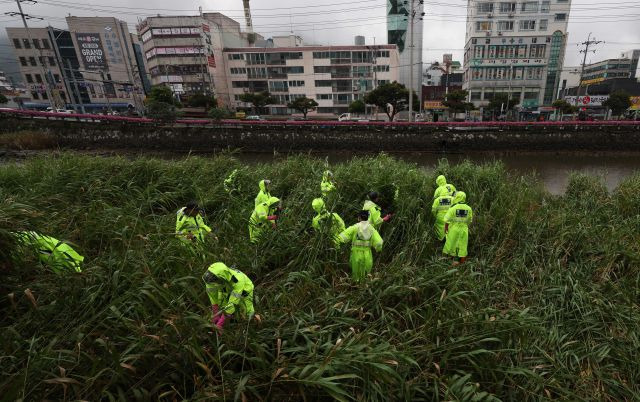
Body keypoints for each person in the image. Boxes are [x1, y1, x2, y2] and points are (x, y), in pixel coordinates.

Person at [202, 262, 256, 331]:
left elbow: (233, 303)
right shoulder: (210, 279)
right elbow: (212, 295)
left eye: (214, 281)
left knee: (246, 311)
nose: (211, 284)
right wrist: (216, 312)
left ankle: (252, 323)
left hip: (244, 290)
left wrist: (220, 324)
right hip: (225, 288)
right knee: (223, 305)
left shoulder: (238, 280)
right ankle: (228, 322)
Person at [338, 210, 383, 281]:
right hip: (367, 254)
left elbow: (342, 237)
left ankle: (356, 288)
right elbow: (379, 242)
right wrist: (378, 249)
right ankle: (364, 289)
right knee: (366, 275)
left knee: (356, 274)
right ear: (368, 217)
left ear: (359, 218)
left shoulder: (354, 227)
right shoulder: (372, 229)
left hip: (356, 254)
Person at [17, 231, 84, 273]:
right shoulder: (21, 236)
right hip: (43, 243)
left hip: (44, 245)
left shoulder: (20, 238)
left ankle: (70, 269)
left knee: (55, 254)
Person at [443, 192, 473, 265]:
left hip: (454, 228)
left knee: (451, 243)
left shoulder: (453, 208)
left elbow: (446, 219)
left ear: (456, 197)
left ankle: (448, 261)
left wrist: (446, 227)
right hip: (464, 229)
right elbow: (470, 220)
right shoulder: (469, 208)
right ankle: (461, 264)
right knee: (463, 245)